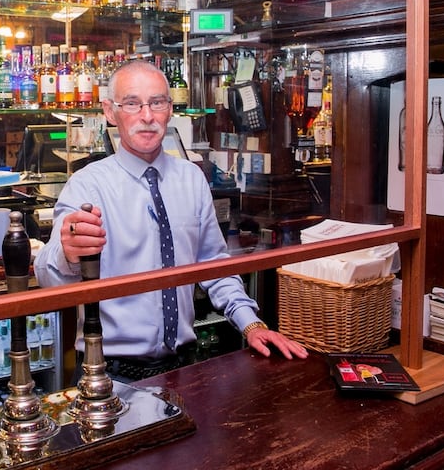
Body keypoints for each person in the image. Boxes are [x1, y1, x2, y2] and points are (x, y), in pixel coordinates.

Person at [34, 60, 308, 383]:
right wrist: (67, 253)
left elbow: (214, 265)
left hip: (184, 369)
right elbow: (46, 279)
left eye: (157, 103)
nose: (147, 116)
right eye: (133, 104)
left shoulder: (191, 178)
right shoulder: (88, 185)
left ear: (170, 109)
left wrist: (251, 323)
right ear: (110, 112)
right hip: (110, 375)